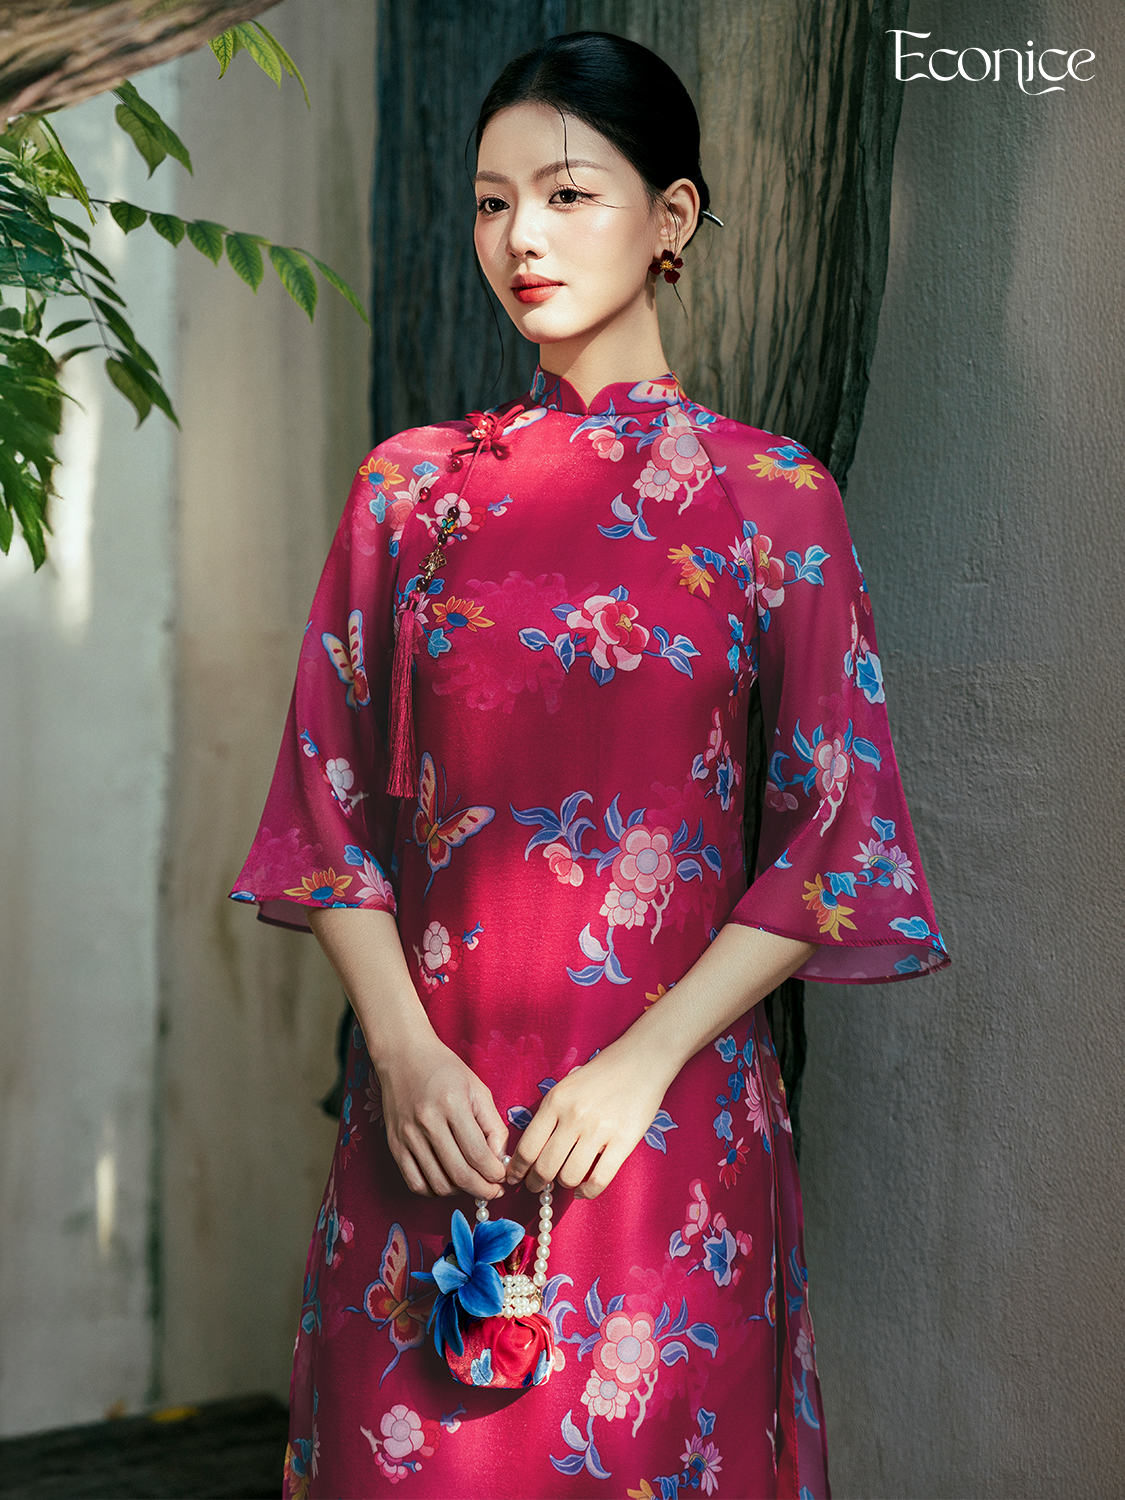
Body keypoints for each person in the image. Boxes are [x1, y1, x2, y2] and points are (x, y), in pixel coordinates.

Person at [232, 31, 948, 1500]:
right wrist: (401, 1053)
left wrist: (641, 1067)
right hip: (429, 1128)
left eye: (566, 194)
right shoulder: (409, 490)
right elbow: (325, 807)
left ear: (671, 217)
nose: (523, 238)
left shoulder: (772, 500)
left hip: (659, 1136)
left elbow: (838, 839)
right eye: (493, 203)